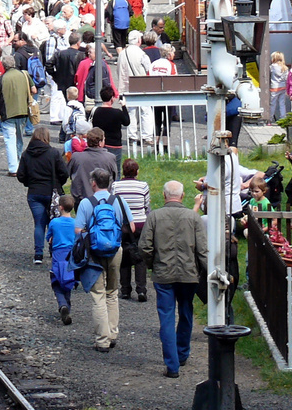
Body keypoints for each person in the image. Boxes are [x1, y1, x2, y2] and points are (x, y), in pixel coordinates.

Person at [141, 180, 208, 378]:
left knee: (166, 318)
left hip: (163, 275)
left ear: (164, 196)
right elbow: (202, 249)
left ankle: (172, 365)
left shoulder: (154, 217)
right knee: (186, 313)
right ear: (182, 195)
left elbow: (144, 247)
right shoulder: (192, 217)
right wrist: (208, 272)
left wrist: (153, 264)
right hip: (188, 274)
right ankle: (182, 353)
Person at [74, 166, 132, 353]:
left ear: (93, 183)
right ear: (109, 183)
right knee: (112, 292)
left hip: (93, 253)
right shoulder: (119, 201)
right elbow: (130, 226)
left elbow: (78, 230)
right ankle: (113, 334)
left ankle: (102, 340)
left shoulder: (86, 203)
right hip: (115, 251)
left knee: (98, 295)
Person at [16, 123, 69, 263]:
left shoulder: (26, 154)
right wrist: (58, 184)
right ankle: (53, 251)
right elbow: (64, 173)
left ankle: (38, 255)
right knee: (53, 223)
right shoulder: (53, 153)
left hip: (34, 193)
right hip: (51, 192)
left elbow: (20, 175)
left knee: (39, 224)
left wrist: (29, 183)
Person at [111, 159, 150, 303]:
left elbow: (113, 204)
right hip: (140, 224)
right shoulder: (143, 186)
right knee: (140, 257)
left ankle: (125, 289)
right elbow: (146, 206)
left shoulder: (116, 186)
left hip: (123, 225)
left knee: (124, 257)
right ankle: (141, 289)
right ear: (136, 172)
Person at [0, 54, 36, 175]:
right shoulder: (24, 75)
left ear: (4, 66)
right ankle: (19, 162)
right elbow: (34, 90)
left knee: (10, 140)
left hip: (8, 113)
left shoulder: (2, 78)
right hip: (23, 111)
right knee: (19, 139)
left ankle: (13, 168)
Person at [47, 195, 79, 325]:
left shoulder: (54, 222)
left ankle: (62, 304)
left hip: (58, 254)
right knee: (68, 279)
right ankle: (67, 307)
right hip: (71, 255)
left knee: (56, 281)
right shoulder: (76, 223)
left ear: (60, 207)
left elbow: (48, 237)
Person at [68, 128, 117, 200]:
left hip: (81, 197)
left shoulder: (76, 157)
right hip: (103, 199)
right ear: (100, 143)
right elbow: (114, 178)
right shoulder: (110, 158)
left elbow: (68, 173)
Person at [90, 87, 129, 171]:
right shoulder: (117, 113)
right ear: (112, 98)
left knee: (101, 170)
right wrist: (124, 106)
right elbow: (127, 122)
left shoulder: (96, 111)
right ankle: (114, 184)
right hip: (115, 144)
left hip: (100, 144)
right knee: (116, 170)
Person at [268, 51, 289, 121]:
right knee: (282, 104)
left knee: (272, 104)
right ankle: (283, 118)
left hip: (274, 87)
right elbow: (286, 78)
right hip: (283, 87)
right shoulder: (285, 67)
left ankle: (270, 119)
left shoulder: (272, 67)